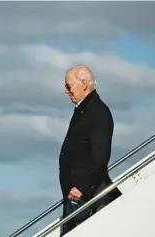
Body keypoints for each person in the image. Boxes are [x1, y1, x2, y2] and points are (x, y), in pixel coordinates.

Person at [58, 65, 122, 236]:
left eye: (68, 86)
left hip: (84, 196)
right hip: (75, 198)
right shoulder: (84, 109)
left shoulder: (98, 112)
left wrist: (80, 187)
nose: (66, 91)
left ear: (84, 83)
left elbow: (100, 157)